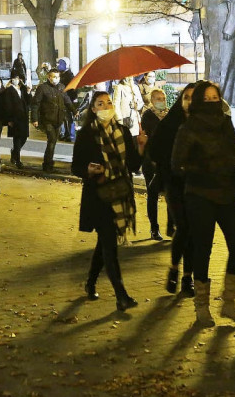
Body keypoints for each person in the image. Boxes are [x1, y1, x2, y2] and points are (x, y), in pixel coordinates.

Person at [171, 80, 235, 326]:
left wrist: (230, 160)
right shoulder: (189, 127)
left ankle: (229, 302)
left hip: (227, 192)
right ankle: (201, 307)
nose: (213, 102)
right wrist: (205, 166)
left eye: (217, 98)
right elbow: (177, 164)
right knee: (203, 248)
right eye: (208, 98)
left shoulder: (225, 123)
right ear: (199, 101)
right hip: (200, 195)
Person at [72, 90, 143, 311]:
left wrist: (140, 146)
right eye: (100, 104)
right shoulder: (86, 135)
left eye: (109, 102)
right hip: (99, 197)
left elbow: (133, 166)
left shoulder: (122, 131)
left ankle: (90, 282)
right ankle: (121, 295)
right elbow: (76, 167)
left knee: (105, 244)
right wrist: (89, 169)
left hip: (121, 195)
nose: (106, 107)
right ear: (93, 109)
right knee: (110, 245)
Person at [146, 83, 195, 296]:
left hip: (196, 185)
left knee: (192, 232)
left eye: (195, 98)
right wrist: (170, 167)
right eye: (187, 97)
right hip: (174, 184)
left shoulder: (204, 124)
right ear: (181, 99)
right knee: (183, 227)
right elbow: (154, 151)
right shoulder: (170, 123)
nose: (190, 102)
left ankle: (188, 277)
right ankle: (175, 269)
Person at [31, 69, 76, 172]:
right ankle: (47, 164)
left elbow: (67, 100)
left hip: (58, 119)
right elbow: (35, 104)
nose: (55, 79)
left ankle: (49, 161)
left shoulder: (61, 87)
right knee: (51, 140)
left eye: (57, 77)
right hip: (47, 120)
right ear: (49, 77)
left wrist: (74, 111)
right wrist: (35, 119)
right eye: (53, 77)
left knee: (53, 141)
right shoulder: (42, 88)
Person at [139, 87, 169, 241]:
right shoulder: (147, 116)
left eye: (163, 98)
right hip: (151, 161)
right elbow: (146, 137)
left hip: (167, 162)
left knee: (171, 193)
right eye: (158, 98)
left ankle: (172, 225)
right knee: (153, 194)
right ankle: (154, 228)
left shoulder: (170, 115)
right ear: (151, 101)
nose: (161, 101)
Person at [3, 75, 30, 168]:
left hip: (24, 118)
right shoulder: (9, 90)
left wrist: (29, 92)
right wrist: (9, 119)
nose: (16, 80)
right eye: (14, 78)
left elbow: (28, 101)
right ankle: (18, 160)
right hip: (15, 118)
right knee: (17, 139)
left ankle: (14, 153)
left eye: (18, 78)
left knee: (24, 137)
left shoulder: (22, 89)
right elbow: (7, 105)